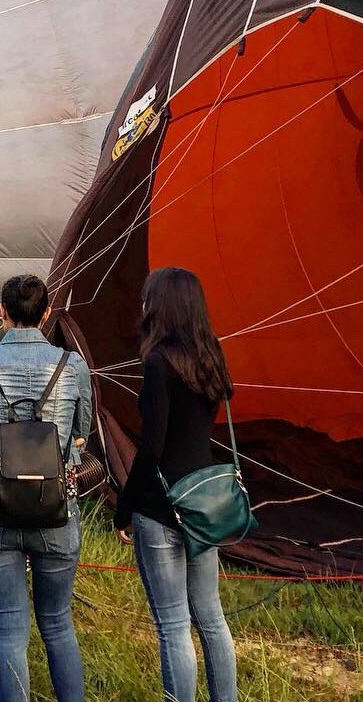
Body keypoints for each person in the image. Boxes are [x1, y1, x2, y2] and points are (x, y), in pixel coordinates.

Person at [0, 275, 91, 702]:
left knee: (9, 627)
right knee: (57, 622)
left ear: (2, 313)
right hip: (56, 508)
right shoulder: (72, 366)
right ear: (47, 314)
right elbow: (80, 435)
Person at [114, 267, 238, 702]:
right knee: (210, 615)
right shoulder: (211, 355)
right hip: (203, 501)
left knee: (172, 623)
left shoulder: (158, 362)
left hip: (161, 506)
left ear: (160, 306)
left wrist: (123, 507)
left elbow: (151, 449)